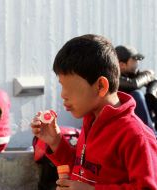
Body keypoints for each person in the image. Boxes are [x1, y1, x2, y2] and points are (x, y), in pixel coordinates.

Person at [31, 34, 157, 189]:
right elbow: (81, 169)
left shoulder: (136, 136)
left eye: (69, 87)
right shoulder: (91, 121)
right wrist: (56, 142)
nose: (63, 95)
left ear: (100, 87)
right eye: (62, 86)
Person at [116, 45, 157, 134]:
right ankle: (152, 134)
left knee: (151, 94)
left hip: (135, 119)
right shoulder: (113, 76)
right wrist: (148, 75)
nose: (137, 63)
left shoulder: (132, 73)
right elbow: (134, 84)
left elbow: (154, 82)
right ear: (122, 65)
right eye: (134, 60)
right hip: (120, 119)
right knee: (137, 94)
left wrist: (151, 94)